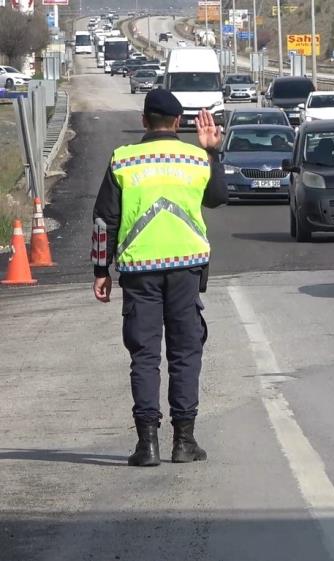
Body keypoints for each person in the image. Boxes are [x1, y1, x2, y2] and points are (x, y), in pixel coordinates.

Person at [91, 90, 227, 467]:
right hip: (186, 270)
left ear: (144, 120)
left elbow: (104, 221)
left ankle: (147, 444)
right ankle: (184, 442)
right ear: (178, 122)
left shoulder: (123, 160)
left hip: (138, 273)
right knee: (185, 353)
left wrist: (101, 271)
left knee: (145, 356)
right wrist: (212, 151)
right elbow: (218, 197)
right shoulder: (197, 158)